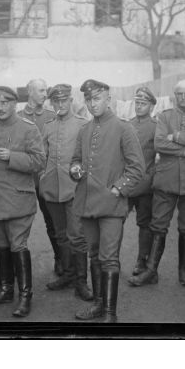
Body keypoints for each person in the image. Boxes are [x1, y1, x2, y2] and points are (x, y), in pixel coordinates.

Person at [70, 79, 145, 323]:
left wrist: (118, 189)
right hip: (87, 204)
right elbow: (76, 160)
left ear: (108, 99)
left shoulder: (124, 129)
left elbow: (137, 169)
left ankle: (110, 314)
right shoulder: (84, 130)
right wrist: (75, 169)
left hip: (112, 206)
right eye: (89, 99)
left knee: (109, 257)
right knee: (94, 254)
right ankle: (99, 305)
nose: (92, 104)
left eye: (97, 98)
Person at [0, 86, 46, 318]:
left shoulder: (27, 128)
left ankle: (25, 296)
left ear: (15, 104)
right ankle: (6, 289)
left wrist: (12, 157)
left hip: (18, 202)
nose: (1, 107)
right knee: (0, 246)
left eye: (5, 102)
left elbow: (39, 161)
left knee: (18, 246)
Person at [129, 80, 185, 288]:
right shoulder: (164, 117)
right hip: (165, 182)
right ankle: (151, 270)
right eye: (179, 94)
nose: (183, 98)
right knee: (158, 226)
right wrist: (184, 149)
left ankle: (183, 271)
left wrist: (178, 136)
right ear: (175, 96)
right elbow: (159, 143)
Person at [39, 84, 93, 301]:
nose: (60, 105)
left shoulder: (82, 125)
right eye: (56, 102)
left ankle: (81, 282)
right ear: (51, 103)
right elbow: (42, 154)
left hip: (74, 189)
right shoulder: (48, 126)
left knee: (77, 236)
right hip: (52, 189)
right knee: (61, 235)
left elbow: (90, 158)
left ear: (71, 101)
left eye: (64, 101)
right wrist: (43, 176)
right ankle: (69, 275)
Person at [17, 78, 63, 275]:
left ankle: (60, 259)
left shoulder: (53, 116)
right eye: (42, 91)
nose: (46, 94)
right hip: (22, 179)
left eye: (46, 90)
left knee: (53, 221)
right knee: (17, 222)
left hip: (46, 179)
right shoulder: (17, 116)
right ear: (30, 92)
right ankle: (15, 265)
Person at [127, 87, 158, 276]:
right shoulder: (127, 125)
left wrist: (151, 176)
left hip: (146, 185)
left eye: (143, 103)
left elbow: (160, 154)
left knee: (145, 224)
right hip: (126, 183)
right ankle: (112, 259)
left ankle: (142, 260)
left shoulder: (156, 126)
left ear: (152, 106)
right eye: (137, 103)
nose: (139, 106)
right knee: (115, 220)